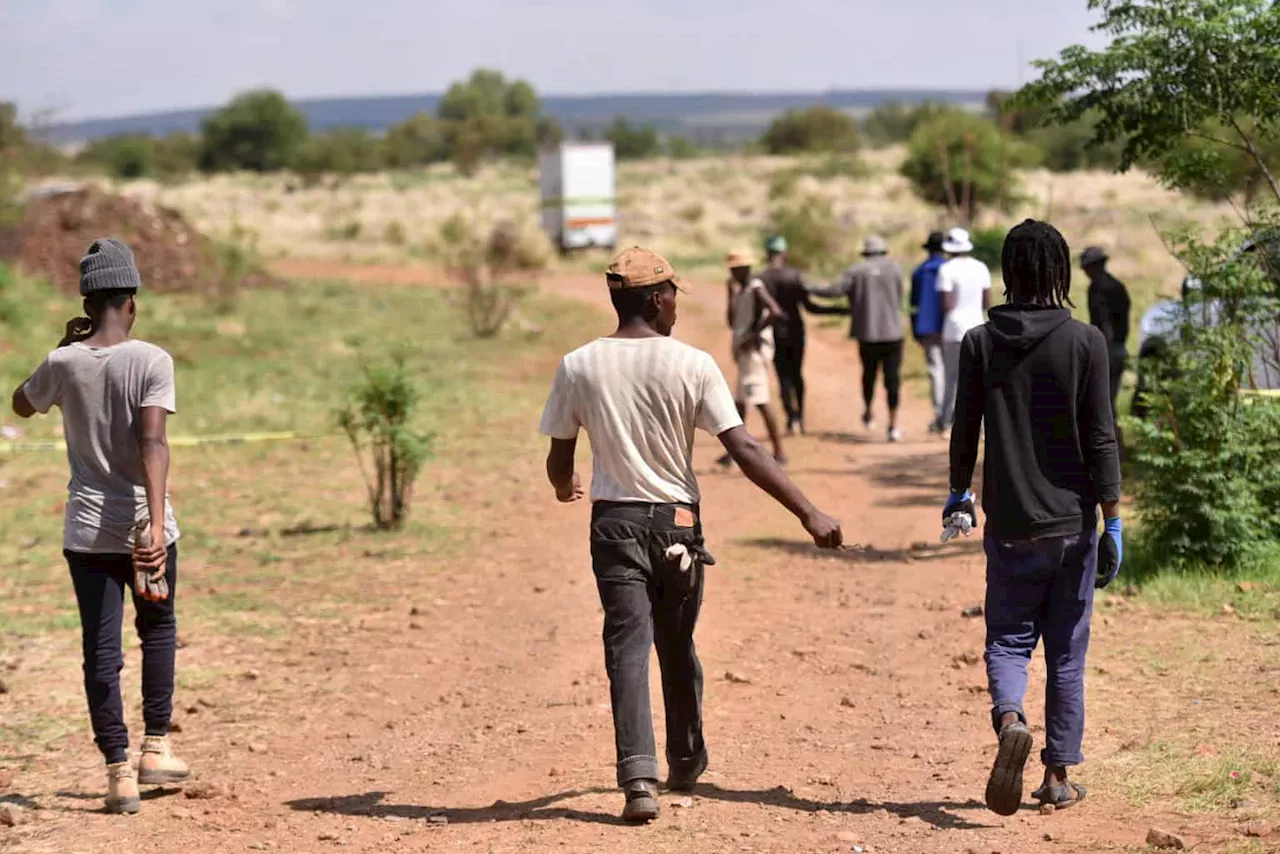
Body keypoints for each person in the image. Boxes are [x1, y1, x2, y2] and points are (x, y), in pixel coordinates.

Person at [538, 247, 843, 823]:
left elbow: (560, 454)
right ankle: (684, 758)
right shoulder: (692, 363)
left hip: (614, 524)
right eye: (674, 293)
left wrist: (563, 486)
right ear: (656, 299)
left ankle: (637, 778)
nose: (678, 303)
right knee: (675, 644)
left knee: (625, 649)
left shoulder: (578, 364)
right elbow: (746, 448)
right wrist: (808, 513)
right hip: (676, 526)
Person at [945, 220, 1122, 816]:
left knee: (1009, 638)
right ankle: (1057, 775)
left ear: (1009, 271)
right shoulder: (1086, 342)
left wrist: (957, 494)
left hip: (1012, 524)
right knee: (1067, 653)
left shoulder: (979, 341)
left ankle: (1011, 719)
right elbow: (1101, 438)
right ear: (1059, 270)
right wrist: (1113, 518)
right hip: (1073, 525)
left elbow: (964, 427)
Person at [10, 239, 189, 815]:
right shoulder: (152, 360)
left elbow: (20, 404)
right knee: (157, 628)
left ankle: (117, 773)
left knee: (100, 649)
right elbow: (153, 441)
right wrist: (156, 525)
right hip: (144, 525)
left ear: (87, 300)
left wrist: (63, 349)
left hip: (87, 530)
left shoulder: (63, 364)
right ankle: (155, 748)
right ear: (131, 299)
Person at [810, 235, 906, 442]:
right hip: (893, 333)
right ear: (883, 251)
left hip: (868, 333)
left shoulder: (856, 271)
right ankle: (893, 425)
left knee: (869, 375)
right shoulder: (896, 269)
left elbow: (834, 291)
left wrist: (808, 287)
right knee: (893, 379)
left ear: (866, 253)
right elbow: (899, 297)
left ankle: (869, 410)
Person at [721, 249, 787, 464]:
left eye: (734, 269)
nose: (732, 273)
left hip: (753, 354)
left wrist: (754, 335)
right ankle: (733, 452)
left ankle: (779, 452)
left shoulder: (756, 288)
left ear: (743, 269)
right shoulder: (742, 291)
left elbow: (775, 312)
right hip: (745, 352)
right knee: (740, 402)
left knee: (760, 401)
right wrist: (730, 293)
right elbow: (732, 322)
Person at [756, 236, 826, 435]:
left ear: (768, 254)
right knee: (797, 374)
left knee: (783, 377)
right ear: (784, 253)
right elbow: (810, 307)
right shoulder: (795, 276)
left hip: (774, 332)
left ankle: (790, 417)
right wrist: (840, 310)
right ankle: (800, 417)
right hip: (796, 330)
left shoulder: (761, 279)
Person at [936, 227, 992, 430]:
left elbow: (946, 305)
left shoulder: (946, 269)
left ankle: (946, 422)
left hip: (953, 329)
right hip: (978, 326)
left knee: (952, 377)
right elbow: (986, 302)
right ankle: (984, 426)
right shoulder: (981, 267)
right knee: (980, 378)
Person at [1081, 246, 1132, 422]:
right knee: (1106, 404)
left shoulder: (1099, 290)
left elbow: (1105, 325)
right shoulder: (1117, 286)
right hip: (1117, 349)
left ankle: (1113, 446)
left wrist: (1100, 353)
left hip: (1108, 350)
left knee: (1102, 407)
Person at [910, 231, 949, 433]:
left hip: (927, 327)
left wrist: (914, 328)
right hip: (949, 327)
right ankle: (951, 416)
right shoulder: (950, 269)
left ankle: (940, 416)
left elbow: (914, 305)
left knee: (936, 371)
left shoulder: (919, 272)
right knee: (952, 371)